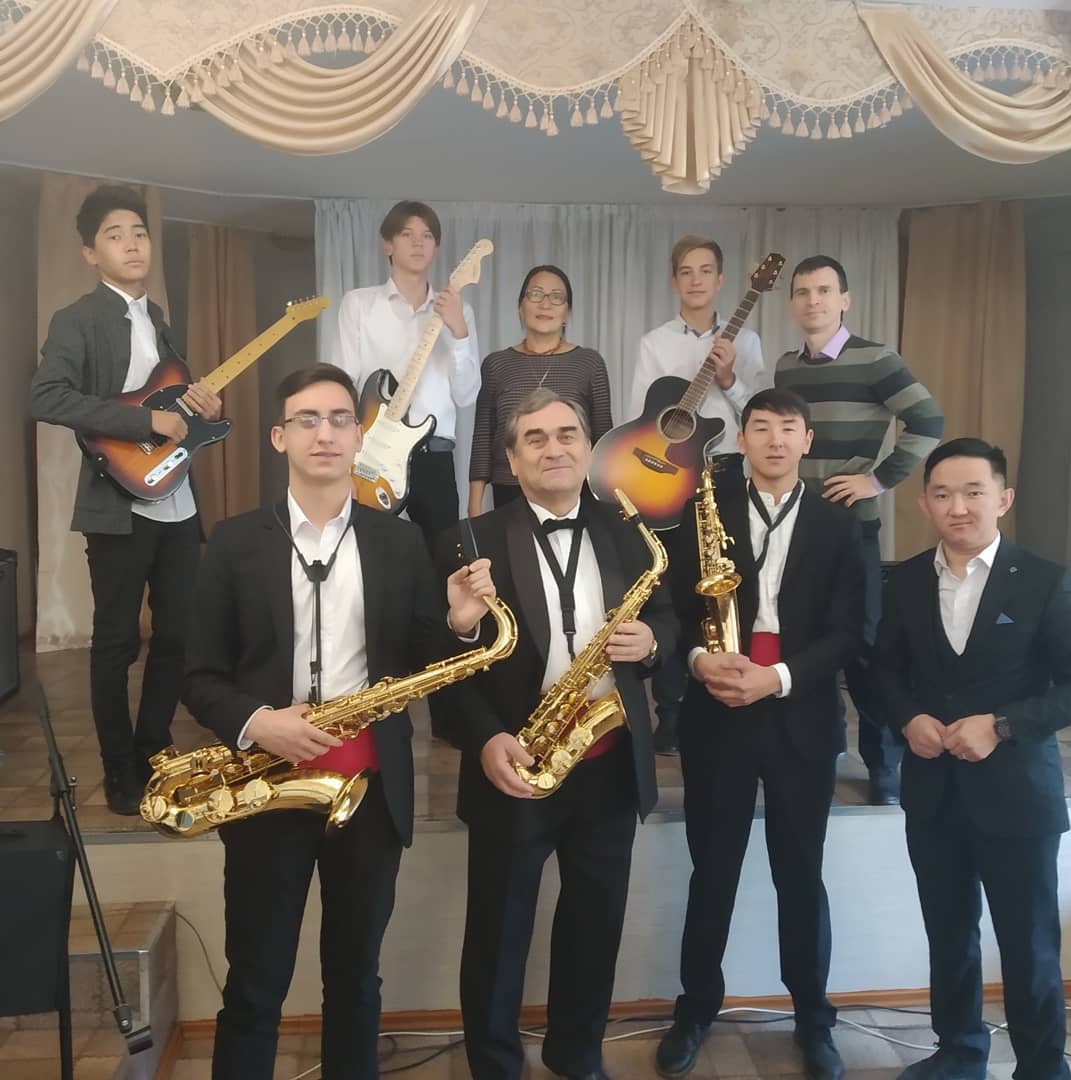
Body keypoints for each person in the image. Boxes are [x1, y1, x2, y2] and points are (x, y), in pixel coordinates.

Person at [182, 364, 494, 1080]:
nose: (324, 433)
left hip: (370, 793)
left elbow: (425, 659)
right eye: (307, 420)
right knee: (255, 981)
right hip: (266, 786)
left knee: (356, 977)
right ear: (279, 437)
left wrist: (458, 621)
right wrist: (260, 722)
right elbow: (198, 676)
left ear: (359, 436)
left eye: (339, 419)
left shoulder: (399, 542)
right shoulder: (232, 542)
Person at [442, 388, 677, 1080]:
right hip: (514, 760)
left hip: (606, 760)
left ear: (588, 447)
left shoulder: (628, 528)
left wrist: (653, 643)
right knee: (498, 932)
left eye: (567, 434)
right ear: (512, 460)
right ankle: (495, 1067)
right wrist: (485, 739)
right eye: (536, 438)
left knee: (594, 927)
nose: (554, 448)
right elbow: (441, 659)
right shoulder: (470, 538)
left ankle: (578, 1057)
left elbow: (667, 616)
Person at [656, 388, 864, 1080]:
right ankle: (695, 1009)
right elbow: (671, 609)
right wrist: (697, 660)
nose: (776, 440)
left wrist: (776, 679)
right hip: (717, 708)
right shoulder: (701, 511)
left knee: (800, 873)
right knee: (712, 870)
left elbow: (850, 632)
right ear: (741, 439)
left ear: (808, 441)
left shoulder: (841, 524)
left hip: (800, 714)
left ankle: (813, 1018)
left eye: (789, 428)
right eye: (762, 427)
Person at [872, 438, 1071, 1080]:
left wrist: (1004, 725)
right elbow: (882, 672)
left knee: (1029, 943)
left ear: (1003, 499)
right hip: (934, 791)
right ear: (923, 503)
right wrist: (907, 718)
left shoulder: (1044, 579)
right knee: (949, 934)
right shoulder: (904, 580)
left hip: (1018, 795)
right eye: (942, 494)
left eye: (973, 492)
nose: (957, 507)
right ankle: (959, 1052)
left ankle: (1042, 1067)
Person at [29, 183, 222, 815]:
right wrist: (145, 423)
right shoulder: (77, 319)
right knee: (115, 642)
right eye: (115, 236)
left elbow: (170, 402)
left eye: (139, 233)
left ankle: (153, 745)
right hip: (117, 504)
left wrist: (202, 408)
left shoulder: (159, 318)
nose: (132, 244)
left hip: (177, 500)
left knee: (179, 634)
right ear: (91, 253)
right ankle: (118, 767)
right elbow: (46, 396)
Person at [773, 254, 944, 805]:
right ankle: (814, 752)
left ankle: (882, 763)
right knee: (805, 641)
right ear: (792, 303)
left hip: (853, 529)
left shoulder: (877, 359)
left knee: (865, 648)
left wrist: (877, 480)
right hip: (798, 528)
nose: (813, 301)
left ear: (844, 299)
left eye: (824, 290)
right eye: (803, 292)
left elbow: (928, 420)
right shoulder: (786, 368)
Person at [629, 234, 770, 755]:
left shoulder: (746, 342)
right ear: (674, 281)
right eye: (686, 271)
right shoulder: (654, 343)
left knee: (726, 581)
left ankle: (729, 684)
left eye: (705, 270)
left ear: (721, 279)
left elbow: (758, 415)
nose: (695, 280)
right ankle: (670, 711)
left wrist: (730, 378)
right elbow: (641, 417)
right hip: (669, 476)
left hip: (725, 474)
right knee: (670, 586)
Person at [333, 199, 481, 550]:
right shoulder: (358, 305)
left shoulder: (459, 311)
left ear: (436, 247)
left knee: (444, 558)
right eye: (406, 234)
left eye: (427, 235)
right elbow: (341, 385)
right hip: (371, 453)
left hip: (434, 454)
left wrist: (459, 331)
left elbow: (466, 395)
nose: (418, 243)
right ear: (388, 244)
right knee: (369, 553)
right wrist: (344, 462)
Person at [468, 265, 612, 514]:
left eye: (556, 297)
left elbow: (604, 443)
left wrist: (608, 508)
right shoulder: (496, 364)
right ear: (520, 307)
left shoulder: (589, 363)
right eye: (535, 294)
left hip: (573, 491)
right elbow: (483, 438)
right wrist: (474, 507)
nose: (545, 304)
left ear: (567, 312)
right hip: (510, 489)